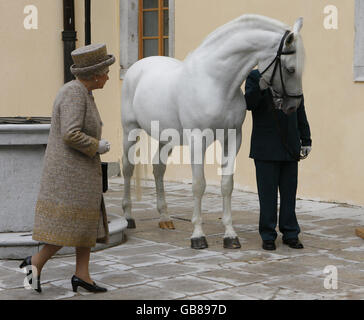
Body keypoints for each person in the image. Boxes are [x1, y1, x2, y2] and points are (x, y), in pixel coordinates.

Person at [19, 43, 115, 293]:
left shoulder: (83, 92)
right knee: (67, 228)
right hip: (71, 176)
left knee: (85, 225)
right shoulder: (74, 93)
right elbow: (70, 134)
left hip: (80, 173)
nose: (108, 75)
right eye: (106, 71)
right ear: (94, 74)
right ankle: (34, 262)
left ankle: (82, 275)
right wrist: (97, 145)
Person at [244, 69, 312, 251]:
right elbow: (248, 104)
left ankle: (290, 233)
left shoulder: (292, 77)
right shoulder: (255, 76)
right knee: (267, 195)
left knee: (289, 194)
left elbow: (300, 109)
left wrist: (306, 139)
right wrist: (260, 86)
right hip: (265, 148)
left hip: (290, 146)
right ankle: (268, 235)